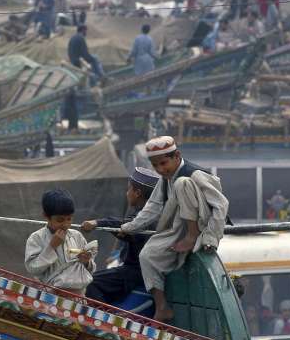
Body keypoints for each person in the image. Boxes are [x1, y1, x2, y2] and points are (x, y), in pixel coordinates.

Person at [119, 136, 229, 322]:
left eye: (164, 163)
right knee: (147, 256)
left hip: (202, 225)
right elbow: (153, 207)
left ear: (177, 156)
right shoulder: (165, 178)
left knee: (182, 183)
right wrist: (130, 227)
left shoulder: (194, 174)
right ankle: (162, 306)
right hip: (179, 226)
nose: (161, 170)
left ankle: (192, 236)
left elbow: (221, 204)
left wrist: (211, 237)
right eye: (156, 166)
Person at [82, 167, 160, 304]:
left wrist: (97, 223)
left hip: (137, 272)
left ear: (137, 193)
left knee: (90, 282)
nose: (127, 193)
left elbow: (128, 226)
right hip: (143, 271)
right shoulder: (155, 212)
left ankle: (102, 321)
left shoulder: (144, 217)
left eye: (128, 189)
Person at [25, 189, 95, 292]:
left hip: (78, 295)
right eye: (60, 220)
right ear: (46, 216)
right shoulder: (36, 238)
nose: (65, 224)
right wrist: (51, 246)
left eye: (69, 219)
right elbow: (32, 268)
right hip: (50, 295)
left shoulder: (76, 236)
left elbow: (91, 269)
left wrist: (86, 262)